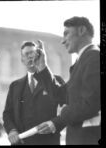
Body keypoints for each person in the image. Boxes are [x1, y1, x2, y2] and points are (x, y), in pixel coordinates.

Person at [35, 16, 100, 145]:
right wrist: (42, 67)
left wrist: (63, 113)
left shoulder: (94, 57)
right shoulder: (83, 60)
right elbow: (61, 95)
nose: (62, 41)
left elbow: (91, 104)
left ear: (81, 30)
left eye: (66, 34)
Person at [3, 41, 66, 145]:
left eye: (33, 53)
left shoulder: (56, 81)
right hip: (21, 142)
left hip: (49, 141)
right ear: (22, 60)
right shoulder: (15, 86)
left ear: (40, 55)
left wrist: (55, 124)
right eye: (26, 54)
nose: (30, 57)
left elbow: (68, 109)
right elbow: (7, 114)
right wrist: (12, 130)